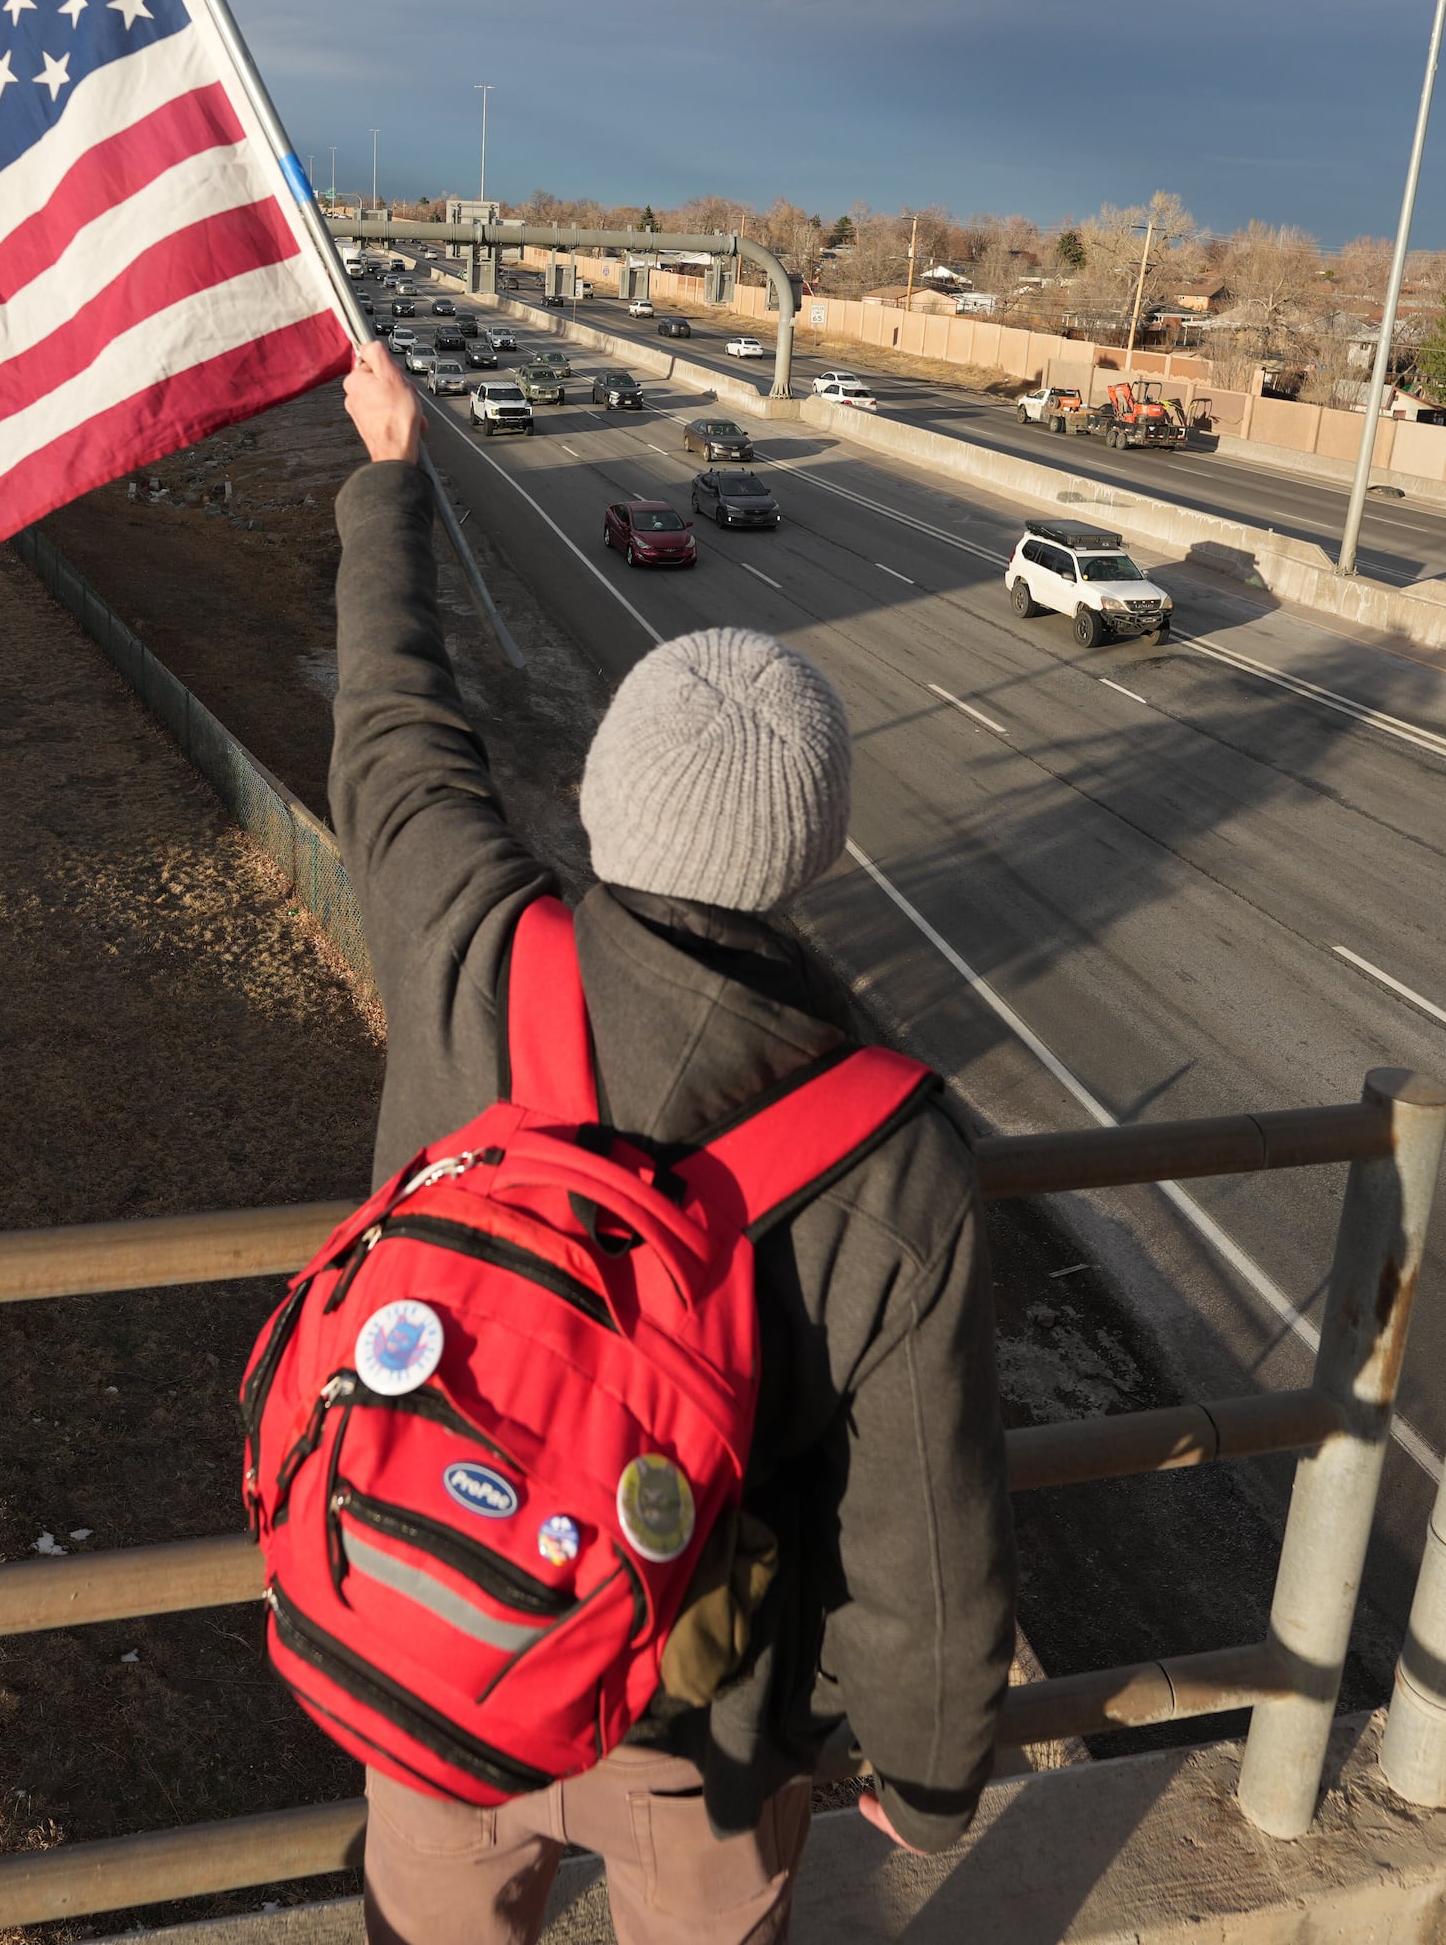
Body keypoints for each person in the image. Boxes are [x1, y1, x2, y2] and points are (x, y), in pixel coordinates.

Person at [323, 342, 1013, 1944]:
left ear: (599, 795)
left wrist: (391, 482)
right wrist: (926, 1773)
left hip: (437, 1627)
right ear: (819, 848)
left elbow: (393, 732)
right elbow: (918, 1509)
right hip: (699, 1714)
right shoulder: (895, 1156)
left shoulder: (472, 942)